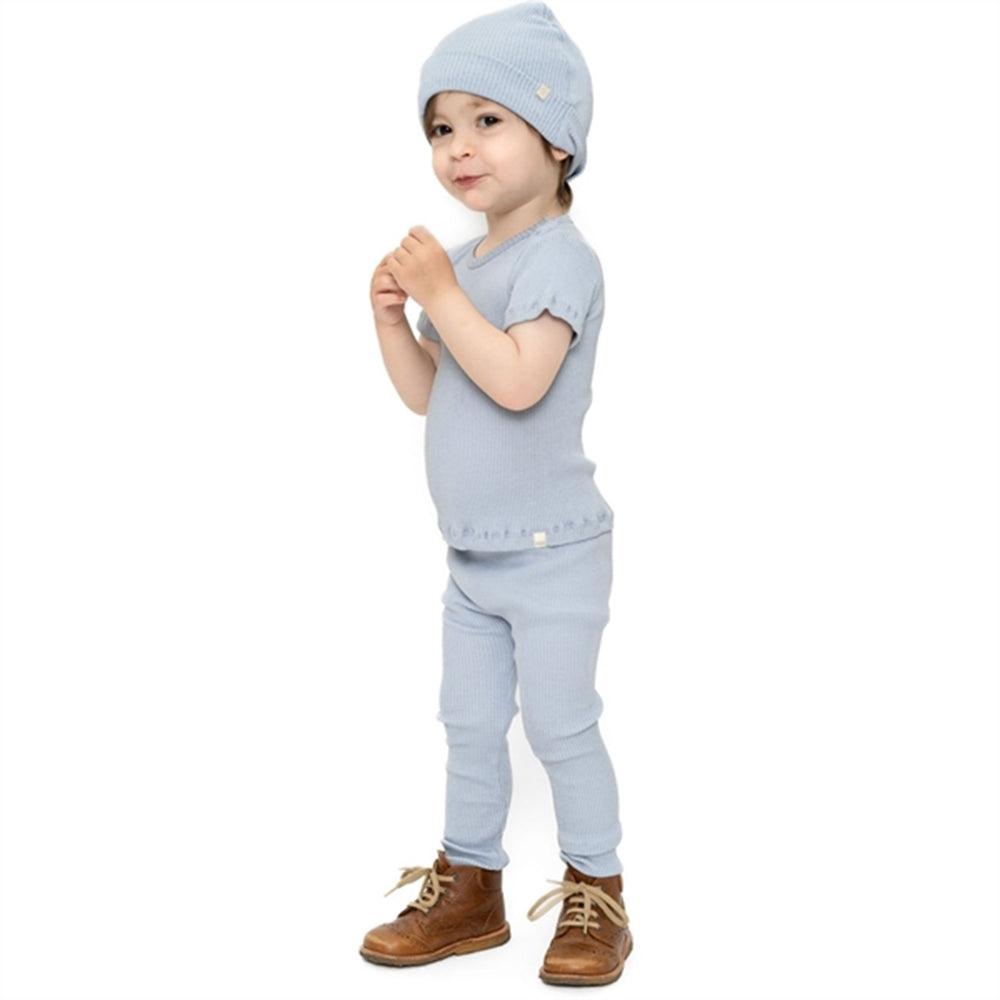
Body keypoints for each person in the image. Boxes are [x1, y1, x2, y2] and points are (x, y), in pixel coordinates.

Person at [359, 3, 631, 987]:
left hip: (554, 553)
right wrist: (395, 324)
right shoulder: (468, 264)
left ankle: (597, 888)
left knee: (559, 724)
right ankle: (470, 887)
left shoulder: (560, 257)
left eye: (487, 119)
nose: (458, 147)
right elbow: (438, 395)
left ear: (557, 139)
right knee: (469, 725)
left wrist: (438, 295)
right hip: (473, 558)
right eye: (441, 127)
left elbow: (518, 380)